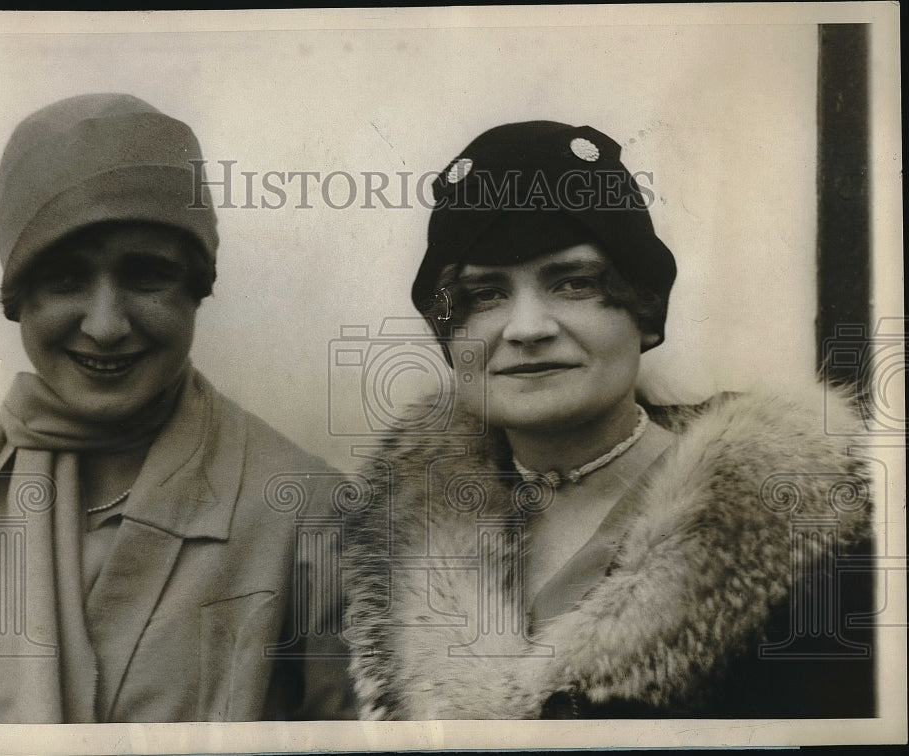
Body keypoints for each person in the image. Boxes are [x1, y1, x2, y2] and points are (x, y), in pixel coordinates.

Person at [342, 121, 875, 719]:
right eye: (485, 295)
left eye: (573, 284)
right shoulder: (394, 538)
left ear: (645, 314)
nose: (526, 328)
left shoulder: (814, 544)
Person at [0, 93, 353, 722]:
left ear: (195, 289)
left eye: (146, 274)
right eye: (64, 278)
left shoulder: (308, 511)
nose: (105, 326)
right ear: (19, 299)